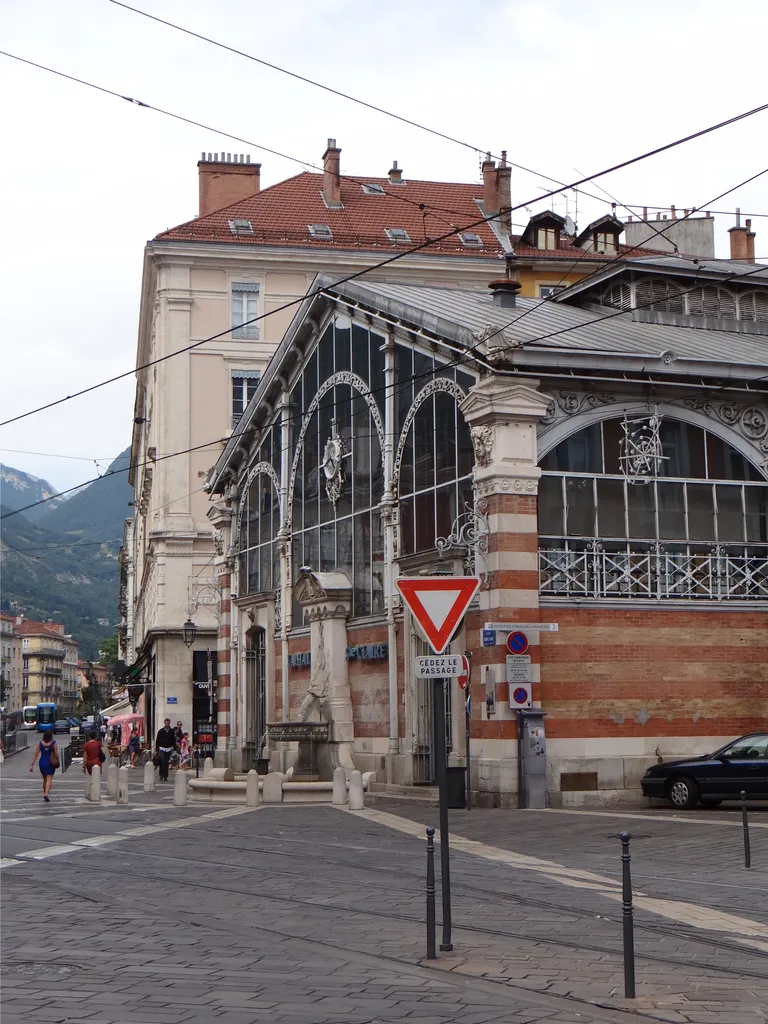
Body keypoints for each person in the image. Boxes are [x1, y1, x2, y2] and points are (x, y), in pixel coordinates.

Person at [29, 730, 58, 801]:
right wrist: (57, 760)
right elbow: (56, 754)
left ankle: (45, 792)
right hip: (50, 762)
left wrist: (32, 764)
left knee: (45, 779)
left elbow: (36, 754)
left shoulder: (40, 744)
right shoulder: (54, 743)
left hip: (42, 762)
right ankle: (46, 794)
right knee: (49, 778)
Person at [155, 718, 177, 782]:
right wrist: (157, 749)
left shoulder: (171, 731)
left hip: (169, 748)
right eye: (166, 723)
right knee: (162, 762)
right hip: (162, 748)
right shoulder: (161, 731)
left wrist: (175, 748)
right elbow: (157, 740)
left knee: (166, 762)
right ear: (164, 723)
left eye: (168, 723)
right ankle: (161, 775)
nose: (167, 724)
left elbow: (173, 740)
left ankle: (165, 776)